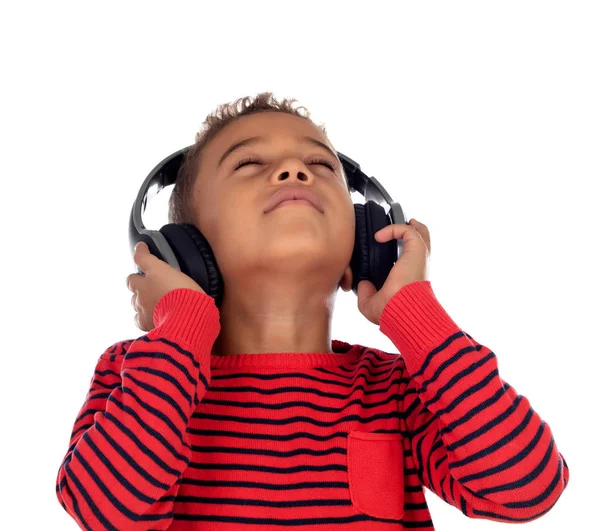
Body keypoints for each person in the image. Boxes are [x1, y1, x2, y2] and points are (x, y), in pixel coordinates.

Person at [55, 92, 569, 530]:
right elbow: (108, 511)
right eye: (248, 164)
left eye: (322, 165)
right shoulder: (135, 374)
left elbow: (526, 488)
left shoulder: (398, 388)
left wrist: (414, 315)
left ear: (365, 236)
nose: (294, 170)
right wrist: (181, 327)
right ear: (183, 249)